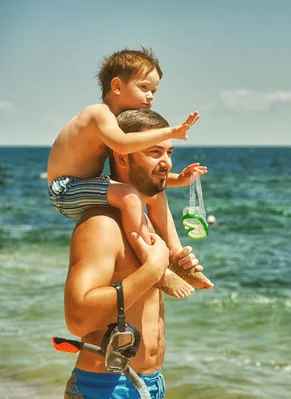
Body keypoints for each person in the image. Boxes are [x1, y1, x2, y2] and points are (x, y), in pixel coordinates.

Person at [47, 47, 212, 297]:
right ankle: (152, 262)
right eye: (144, 88)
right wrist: (171, 132)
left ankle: (177, 258)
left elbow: (140, 166)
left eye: (154, 91)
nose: (151, 97)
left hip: (90, 184)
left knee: (155, 193)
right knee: (128, 195)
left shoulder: (118, 118)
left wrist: (181, 178)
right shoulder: (98, 114)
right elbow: (122, 145)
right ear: (116, 86)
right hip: (66, 190)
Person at [63, 109, 204, 398]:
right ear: (123, 156)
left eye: (169, 152)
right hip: (105, 388)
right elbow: (77, 318)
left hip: (151, 383)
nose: (166, 163)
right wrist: (153, 270)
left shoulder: (143, 220)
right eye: (154, 152)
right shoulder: (102, 225)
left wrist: (177, 265)